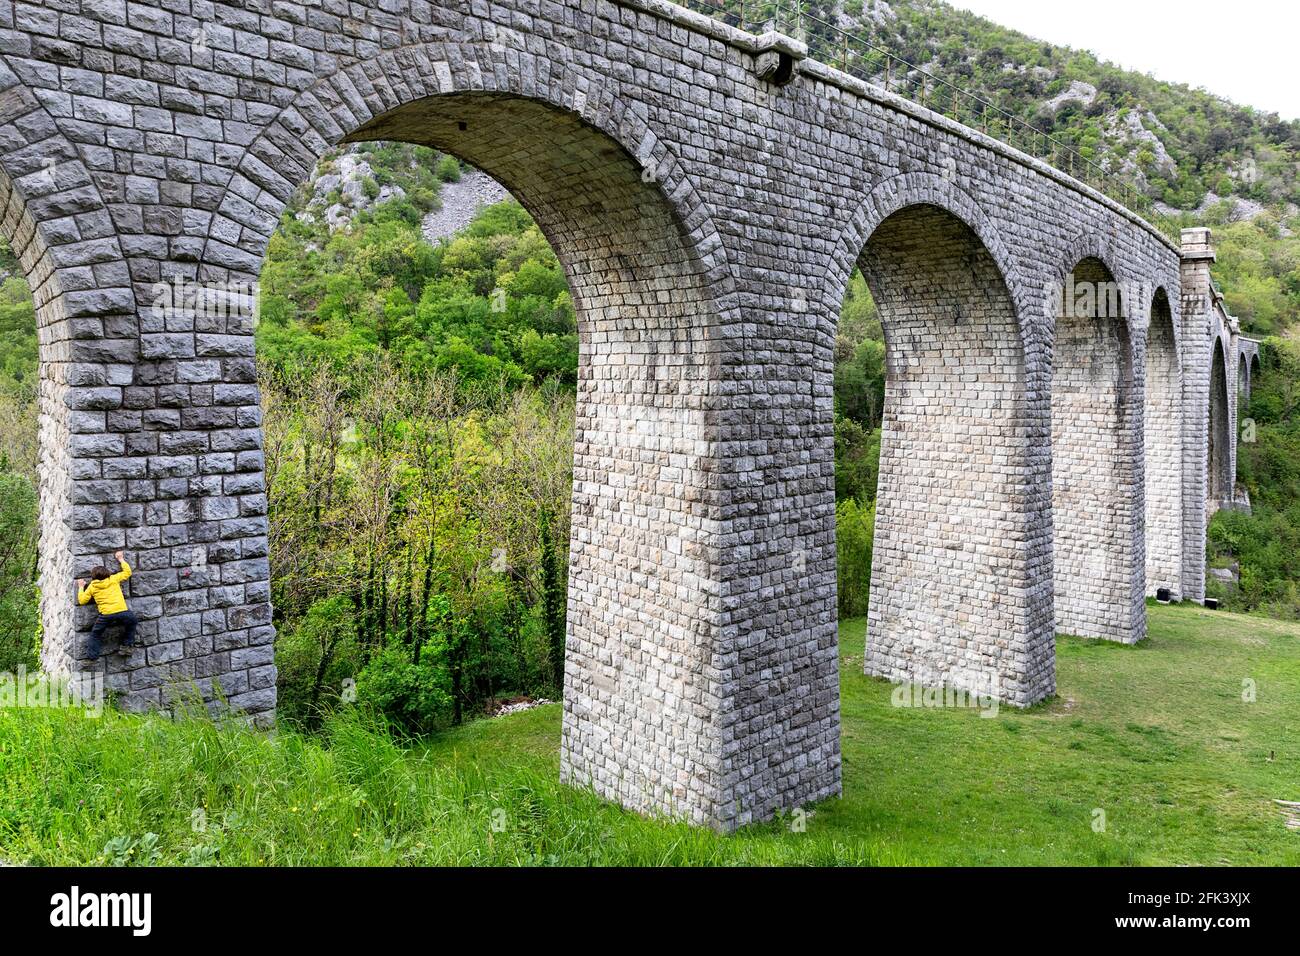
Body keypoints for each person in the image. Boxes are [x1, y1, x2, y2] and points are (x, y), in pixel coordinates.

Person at [77, 550, 137, 661]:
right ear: (107, 573)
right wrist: (120, 559)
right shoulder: (113, 579)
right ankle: (126, 646)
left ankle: (92, 658)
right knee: (132, 621)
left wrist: (81, 587)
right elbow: (128, 572)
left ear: (93, 576)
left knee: (96, 634)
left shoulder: (92, 586)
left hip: (106, 615)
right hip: (122, 611)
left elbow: (82, 600)